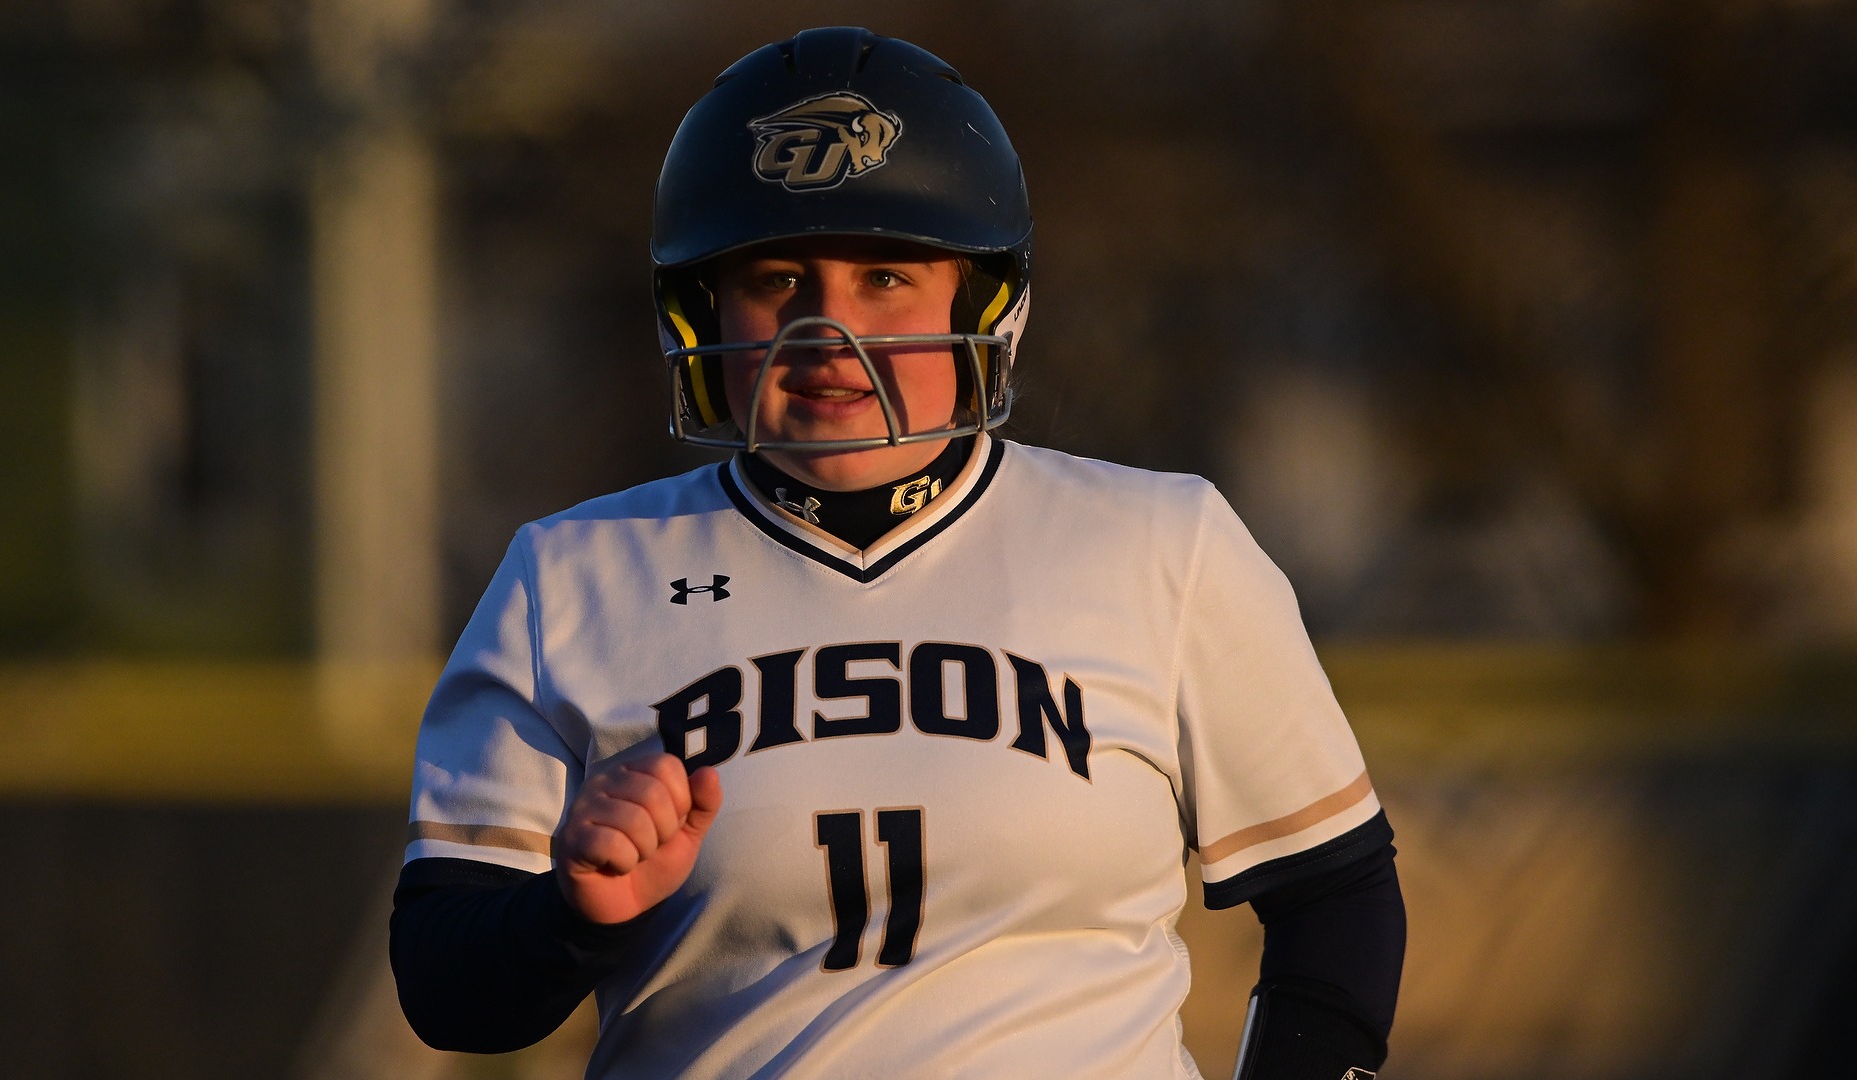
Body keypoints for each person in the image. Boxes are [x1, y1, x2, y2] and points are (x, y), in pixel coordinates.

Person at [390, 26, 1405, 1080]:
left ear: (983, 302)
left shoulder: (1163, 544)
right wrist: (570, 911)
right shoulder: (571, 579)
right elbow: (447, 989)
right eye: (776, 279)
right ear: (701, 310)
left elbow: (1334, 896)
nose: (828, 331)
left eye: (885, 276)